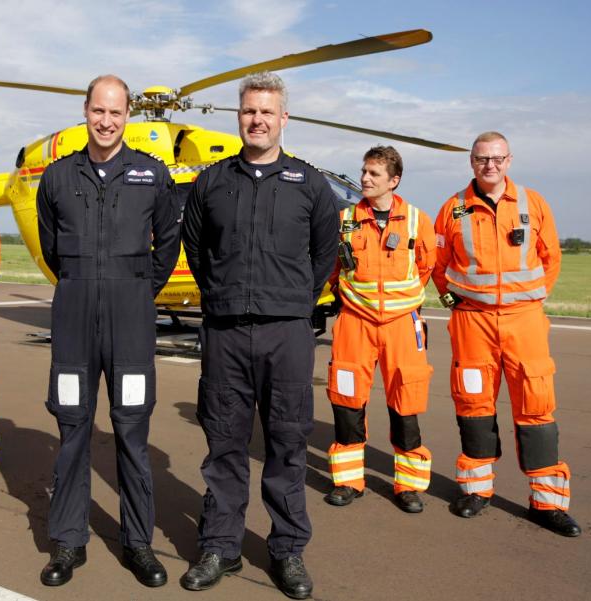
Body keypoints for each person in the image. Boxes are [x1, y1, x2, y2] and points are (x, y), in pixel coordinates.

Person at [180, 71, 339, 599]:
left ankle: (287, 550)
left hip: (287, 334)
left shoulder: (309, 184)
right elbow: (198, 250)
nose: (258, 120)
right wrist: (223, 295)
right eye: (250, 111)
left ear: (283, 119)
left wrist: (291, 301)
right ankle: (221, 547)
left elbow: (323, 254)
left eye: (268, 112)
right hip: (225, 332)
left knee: (288, 444)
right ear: (238, 116)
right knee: (223, 444)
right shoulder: (212, 182)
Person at [35, 75, 180, 588]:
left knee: (132, 433)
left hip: (131, 318)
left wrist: (138, 288)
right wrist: (81, 283)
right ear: (86, 111)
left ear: (127, 117)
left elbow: (168, 242)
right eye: (99, 111)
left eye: (116, 112)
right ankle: (68, 542)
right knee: (73, 429)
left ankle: (138, 544)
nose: (107, 121)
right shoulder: (56, 178)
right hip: (74, 316)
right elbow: (53, 250)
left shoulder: (152, 174)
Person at [432, 131, 581, 537]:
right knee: (473, 403)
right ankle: (476, 491)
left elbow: (551, 258)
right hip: (472, 322)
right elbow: (437, 263)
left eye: (497, 158)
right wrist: (455, 302)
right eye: (482, 159)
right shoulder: (453, 208)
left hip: (524, 321)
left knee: (536, 404)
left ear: (509, 160)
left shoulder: (533, 204)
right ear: (472, 162)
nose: (490, 166)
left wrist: (527, 301)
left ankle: (547, 503)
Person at [324, 145, 436, 514]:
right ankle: (348, 482)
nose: (365, 179)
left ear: (394, 180)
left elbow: (425, 267)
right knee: (347, 401)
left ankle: (408, 485)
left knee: (406, 403)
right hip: (354, 323)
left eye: (374, 174)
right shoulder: (344, 220)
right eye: (364, 172)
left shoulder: (418, 221)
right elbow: (332, 271)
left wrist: (400, 305)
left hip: (402, 325)